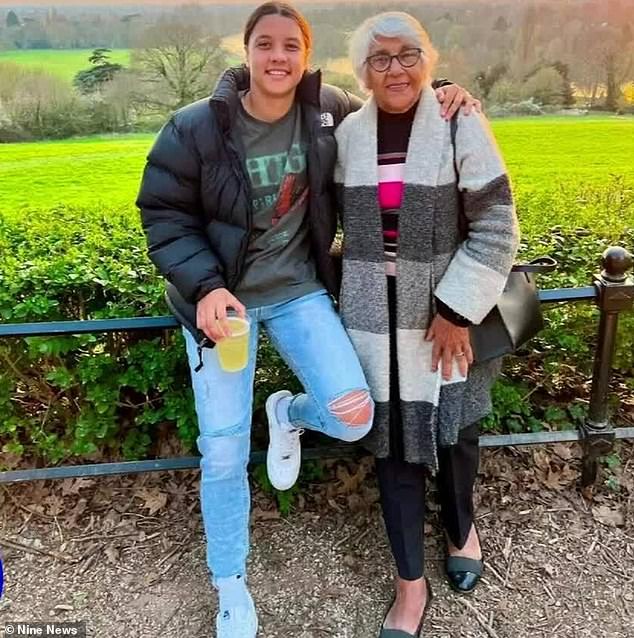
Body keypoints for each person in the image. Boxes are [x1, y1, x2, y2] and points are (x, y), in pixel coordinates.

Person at [137, 3, 478, 636]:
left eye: (290, 45)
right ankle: (231, 586)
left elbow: (395, 92)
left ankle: (289, 413)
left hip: (298, 293)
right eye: (265, 44)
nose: (277, 57)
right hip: (223, 311)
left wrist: (443, 91)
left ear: (305, 55)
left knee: (356, 417)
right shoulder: (195, 128)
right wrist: (206, 287)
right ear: (245, 52)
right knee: (222, 451)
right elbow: (163, 213)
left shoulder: (328, 114)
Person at [334, 11, 520, 638]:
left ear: (429, 60)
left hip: (446, 315)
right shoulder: (348, 133)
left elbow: (497, 225)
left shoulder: (456, 117)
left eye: (408, 54)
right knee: (392, 449)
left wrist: (454, 311)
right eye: (380, 58)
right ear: (362, 71)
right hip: (370, 320)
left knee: (455, 433)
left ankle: (460, 525)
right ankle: (409, 586)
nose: (396, 68)